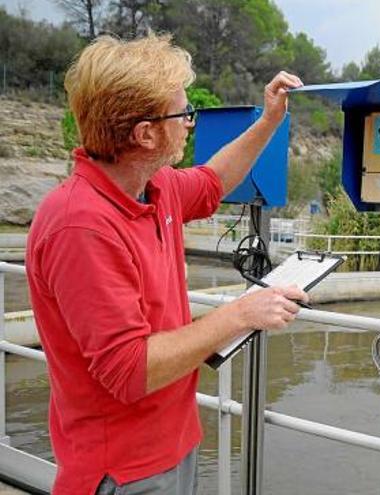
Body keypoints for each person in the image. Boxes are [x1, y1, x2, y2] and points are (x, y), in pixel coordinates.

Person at [25, 34, 306, 494]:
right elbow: (129, 370)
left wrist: (270, 120)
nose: (190, 124)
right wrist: (240, 312)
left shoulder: (156, 188)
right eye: (183, 113)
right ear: (145, 134)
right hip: (122, 470)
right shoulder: (80, 225)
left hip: (173, 443)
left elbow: (214, 181)